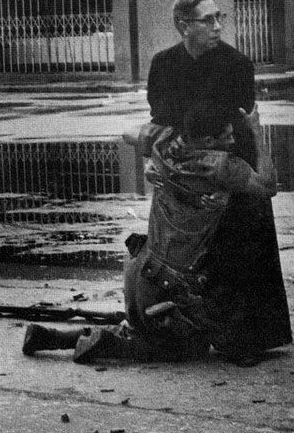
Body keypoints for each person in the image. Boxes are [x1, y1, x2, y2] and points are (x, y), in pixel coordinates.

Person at [22, 100, 277, 363]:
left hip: (140, 271)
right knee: (185, 349)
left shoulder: (164, 141)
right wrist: (256, 130)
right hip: (172, 286)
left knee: (141, 329)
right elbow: (269, 186)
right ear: (208, 141)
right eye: (227, 135)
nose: (233, 139)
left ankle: (49, 337)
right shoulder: (221, 166)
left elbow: (128, 133)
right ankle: (109, 346)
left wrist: (154, 157)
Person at [146, 0, 292, 360]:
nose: (217, 26)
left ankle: (246, 340)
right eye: (207, 19)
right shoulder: (163, 64)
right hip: (187, 168)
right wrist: (158, 160)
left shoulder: (236, 64)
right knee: (181, 255)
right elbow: (159, 120)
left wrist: (227, 189)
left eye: (219, 17)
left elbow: (233, 126)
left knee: (241, 241)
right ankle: (187, 331)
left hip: (232, 163)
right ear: (183, 26)